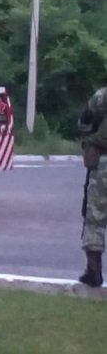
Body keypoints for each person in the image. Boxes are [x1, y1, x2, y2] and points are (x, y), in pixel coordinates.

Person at [78, 87, 107, 287]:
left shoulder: (102, 96)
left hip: (103, 165)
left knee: (95, 217)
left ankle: (94, 271)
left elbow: (84, 122)